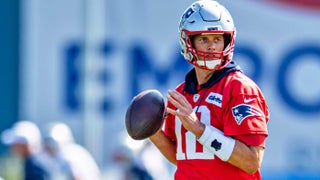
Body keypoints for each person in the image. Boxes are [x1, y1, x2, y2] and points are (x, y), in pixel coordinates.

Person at [149, 0, 269, 179]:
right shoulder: (181, 93)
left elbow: (251, 161)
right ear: (188, 41)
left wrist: (200, 129)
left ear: (227, 40)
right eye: (203, 39)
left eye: (218, 39)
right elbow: (185, 158)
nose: (212, 46)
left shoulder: (239, 89)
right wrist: (154, 133)